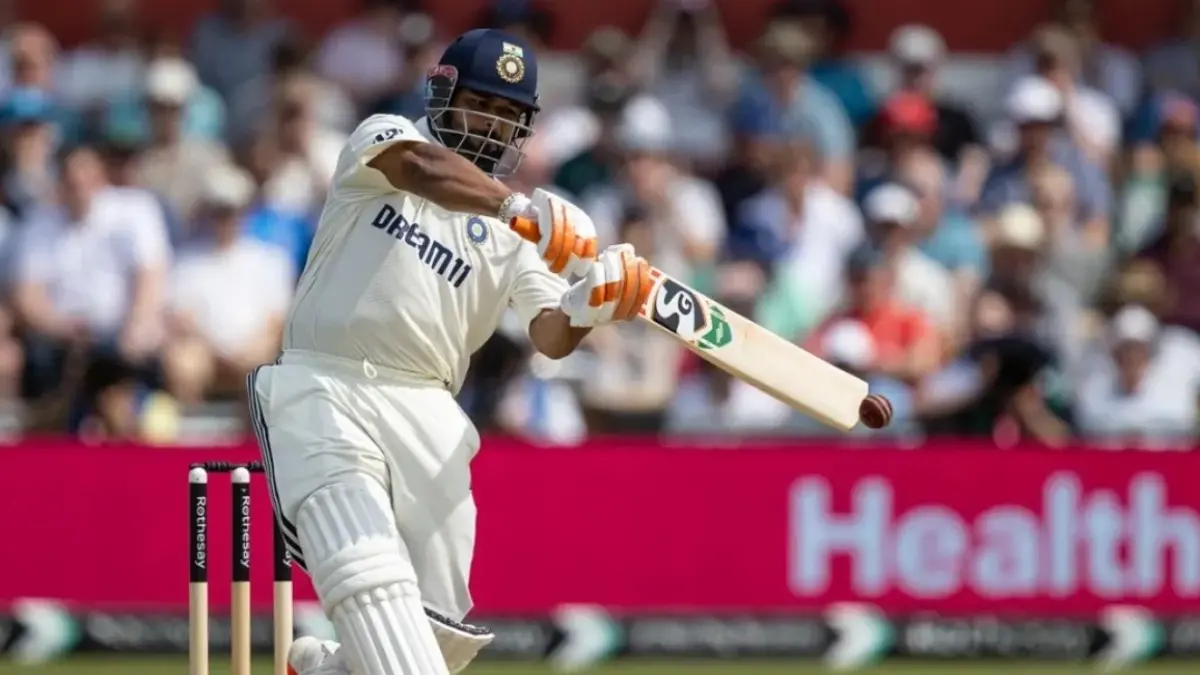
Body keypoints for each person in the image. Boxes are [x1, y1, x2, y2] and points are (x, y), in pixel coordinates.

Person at [249, 28, 651, 675]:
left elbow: (549, 335)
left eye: (506, 115)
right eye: (480, 105)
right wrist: (519, 209)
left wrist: (590, 305)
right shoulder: (384, 139)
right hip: (327, 384)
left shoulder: (518, 238)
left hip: (430, 413)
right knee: (368, 579)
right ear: (444, 96)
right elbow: (423, 170)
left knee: (438, 630)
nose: (491, 125)